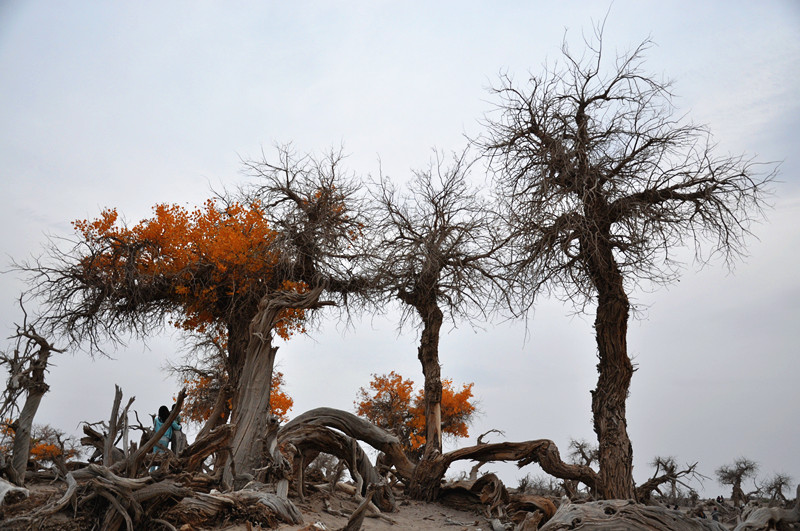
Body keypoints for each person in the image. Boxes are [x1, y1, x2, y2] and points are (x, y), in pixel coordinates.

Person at [150, 405, 181, 472]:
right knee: (162, 456)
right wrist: (180, 426)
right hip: (165, 439)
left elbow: (154, 428)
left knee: (154, 455)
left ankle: (151, 471)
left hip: (156, 439)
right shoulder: (170, 420)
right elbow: (177, 427)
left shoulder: (156, 420)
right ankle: (158, 471)